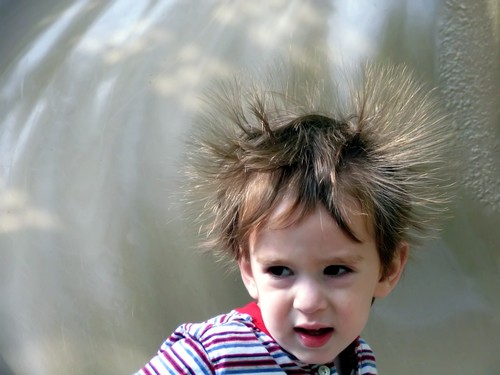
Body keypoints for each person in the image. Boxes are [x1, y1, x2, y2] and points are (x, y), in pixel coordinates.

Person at [136, 60, 453, 374]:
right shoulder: (212, 354)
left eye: (336, 270)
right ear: (248, 269)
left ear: (388, 270)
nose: (309, 302)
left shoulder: (358, 361)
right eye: (280, 270)